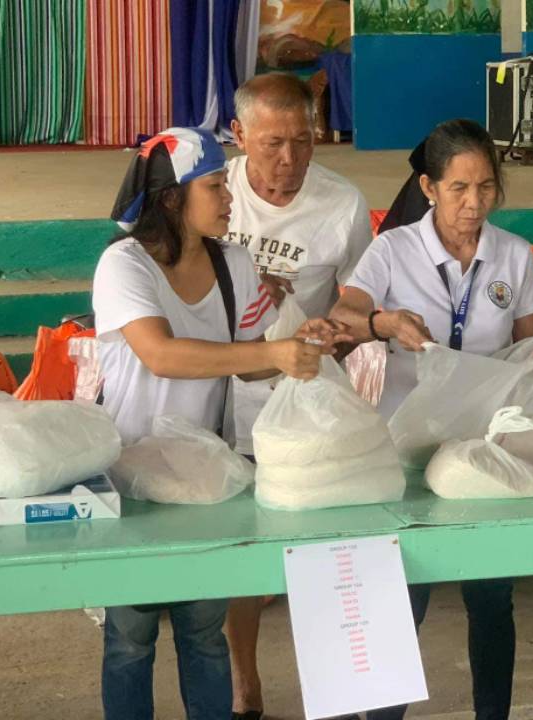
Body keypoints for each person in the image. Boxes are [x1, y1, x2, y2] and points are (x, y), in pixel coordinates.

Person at [95, 127, 347, 720]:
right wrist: (270, 354)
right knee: (130, 639)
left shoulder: (234, 262)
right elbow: (163, 354)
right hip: (129, 477)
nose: (230, 197)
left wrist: (298, 343)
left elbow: (254, 365)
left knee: (204, 635)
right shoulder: (123, 265)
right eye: (214, 185)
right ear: (171, 198)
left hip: (205, 481)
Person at [330, 118, 533, 720]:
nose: (473, 203)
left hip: (485, 449)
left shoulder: (511, 254)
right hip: (406, 444)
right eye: (459, 188)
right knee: (403, 593)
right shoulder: (393, 249)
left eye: (486, 187)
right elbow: (345, 316)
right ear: (429, 187)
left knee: (491, 596)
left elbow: (527, 348)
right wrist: (384, 323)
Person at [220, 73, 371, 720]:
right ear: (240, 137)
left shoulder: (341, 203)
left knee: (316, 547)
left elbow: (359, 301)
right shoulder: (211, 192)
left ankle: (334, 687)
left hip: (301, 397)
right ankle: (244, 685)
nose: (290, 161)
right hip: (219, 393)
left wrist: (328, 331)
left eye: (304, 142)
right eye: (273, 144)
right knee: (239, 552)